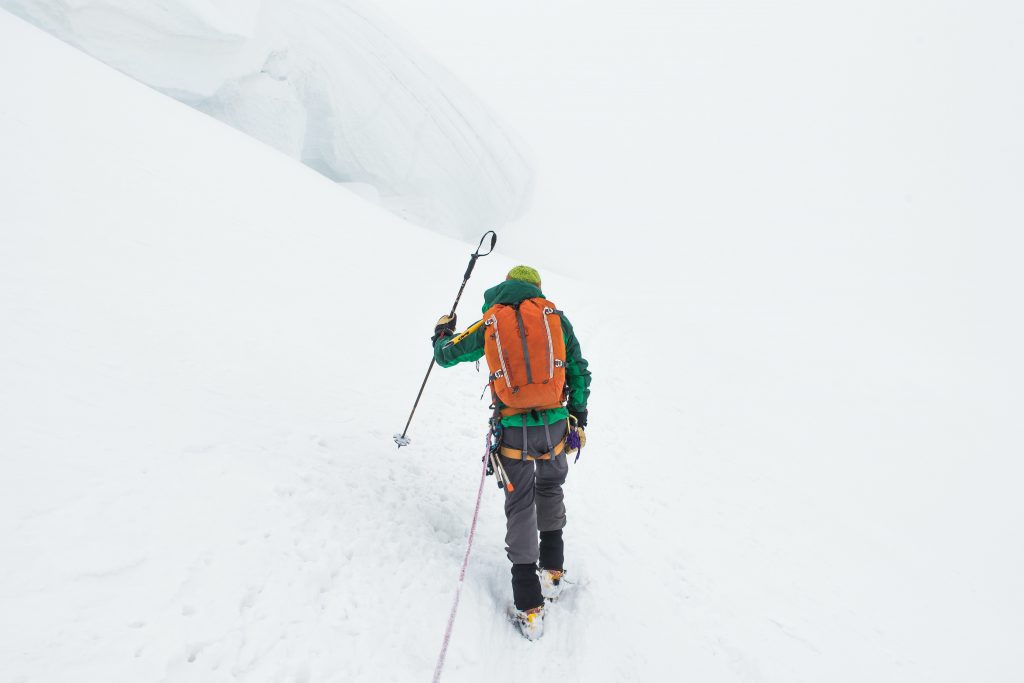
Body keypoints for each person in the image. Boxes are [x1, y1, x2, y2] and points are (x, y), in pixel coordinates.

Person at [431, 265, 591, 640]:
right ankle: (552, 572)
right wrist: (578, 414)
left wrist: (442, 333)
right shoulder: (556, 319)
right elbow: (578, 369)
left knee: (520, 505)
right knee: (551, 489)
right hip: (555, 425)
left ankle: (529, 606)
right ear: (536, 288)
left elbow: (447, 355)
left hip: (513, 431)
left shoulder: (491, 321)